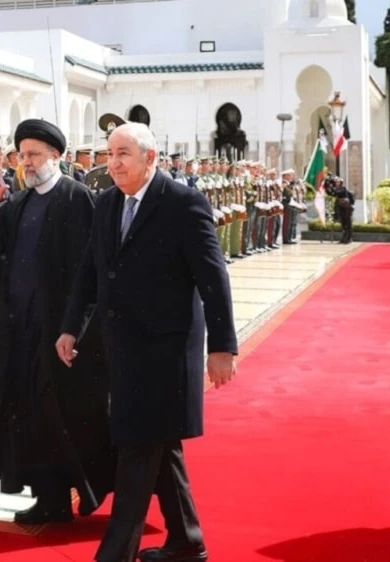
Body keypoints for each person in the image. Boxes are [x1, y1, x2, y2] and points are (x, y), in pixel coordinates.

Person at [57, 122, 238, 562]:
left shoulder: (182, 203)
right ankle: (186, 541)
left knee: (138, 448)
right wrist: (70, 327)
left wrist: (222, 347)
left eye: (123, 154)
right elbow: (90, 271)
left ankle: (115, 554)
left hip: (167, 350)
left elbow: (212, 276)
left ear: (150, 157)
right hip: (123, 346)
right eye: (110, 153)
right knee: (161, 445)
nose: (113, 163)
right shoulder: (106, 204)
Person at [0, 119, 113, 524]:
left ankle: (77, 492)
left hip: (58, 331)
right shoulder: (18, 202)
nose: (26, 163)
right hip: (16, 328)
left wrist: (76, 328)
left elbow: (90, 273)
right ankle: (47, 497)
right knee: (28, 415)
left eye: (34, 155)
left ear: (57, 156)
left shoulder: (77, 198)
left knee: (62, 415)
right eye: (22, 155)